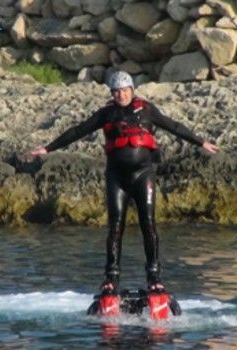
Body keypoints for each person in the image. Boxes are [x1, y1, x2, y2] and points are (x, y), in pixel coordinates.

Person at [30, 71, 219, 293]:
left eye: (124, 90)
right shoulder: (106, 114)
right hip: (116, 177)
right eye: (116, 91)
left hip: (143, 175)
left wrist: (200, 142)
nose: (120, 95)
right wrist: (47, 148)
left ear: (132, 90)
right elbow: (77, 131)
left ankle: (154, 277)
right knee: (115, 228)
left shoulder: (146, 110)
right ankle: (111, 279)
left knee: (148, 224)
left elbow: (173, 126)